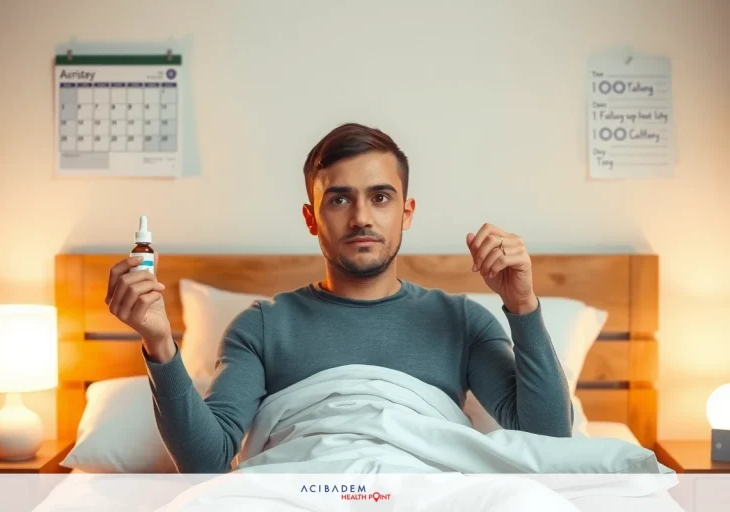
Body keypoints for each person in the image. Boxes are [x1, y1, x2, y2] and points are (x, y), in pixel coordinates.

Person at [104, 123, 572, 474]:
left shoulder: (463, 321)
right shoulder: (262, 326)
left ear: (406, 212)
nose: (362, 217)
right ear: (312, 217)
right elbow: (207, 463)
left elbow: (549, 439)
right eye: (340, 199)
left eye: (381, 198)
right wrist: (160, 345)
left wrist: (524, 307)